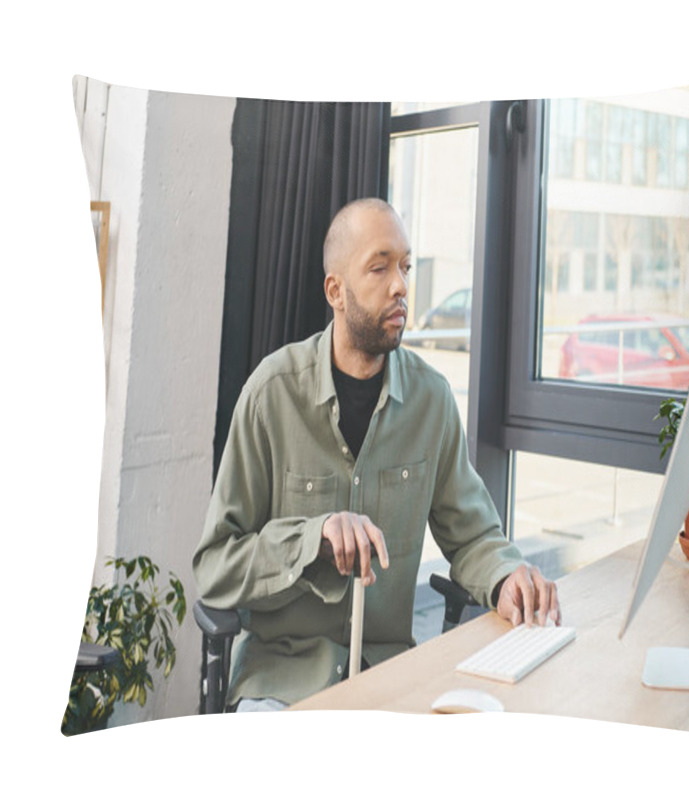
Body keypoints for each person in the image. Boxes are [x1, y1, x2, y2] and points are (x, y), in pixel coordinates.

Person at [192, 197, 561, 711]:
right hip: (283, 683)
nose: (401, 286)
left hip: (391, 678)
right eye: (379, 266)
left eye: (406, 266)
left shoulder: (432, 401)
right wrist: (311, 538)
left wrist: (505, 576)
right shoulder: (271, 395)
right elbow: (216, 564)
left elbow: (473, 534)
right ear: (335, 291)